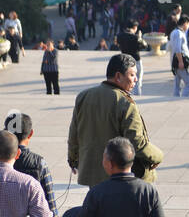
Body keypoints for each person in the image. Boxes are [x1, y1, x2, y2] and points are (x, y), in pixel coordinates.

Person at [68, 53, 164, 188]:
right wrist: (158, 156)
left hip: (93, 174)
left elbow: (74, 135)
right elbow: (136, 142)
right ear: (118, 76)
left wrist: (73, 160)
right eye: (132, 75)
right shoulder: (125, 103)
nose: (135, 79)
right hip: (119, 176)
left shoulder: (84, 96)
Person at [168, 15, 189, 97]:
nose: (188, 27)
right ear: (185, 23)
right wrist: (181, 62)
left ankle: (176, 99)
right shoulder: (178, 33)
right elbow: (178, 49)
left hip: (176, 62)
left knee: (177, 85)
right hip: (181, 62)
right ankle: (182, 99)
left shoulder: (174, 32)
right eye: (188, 24)